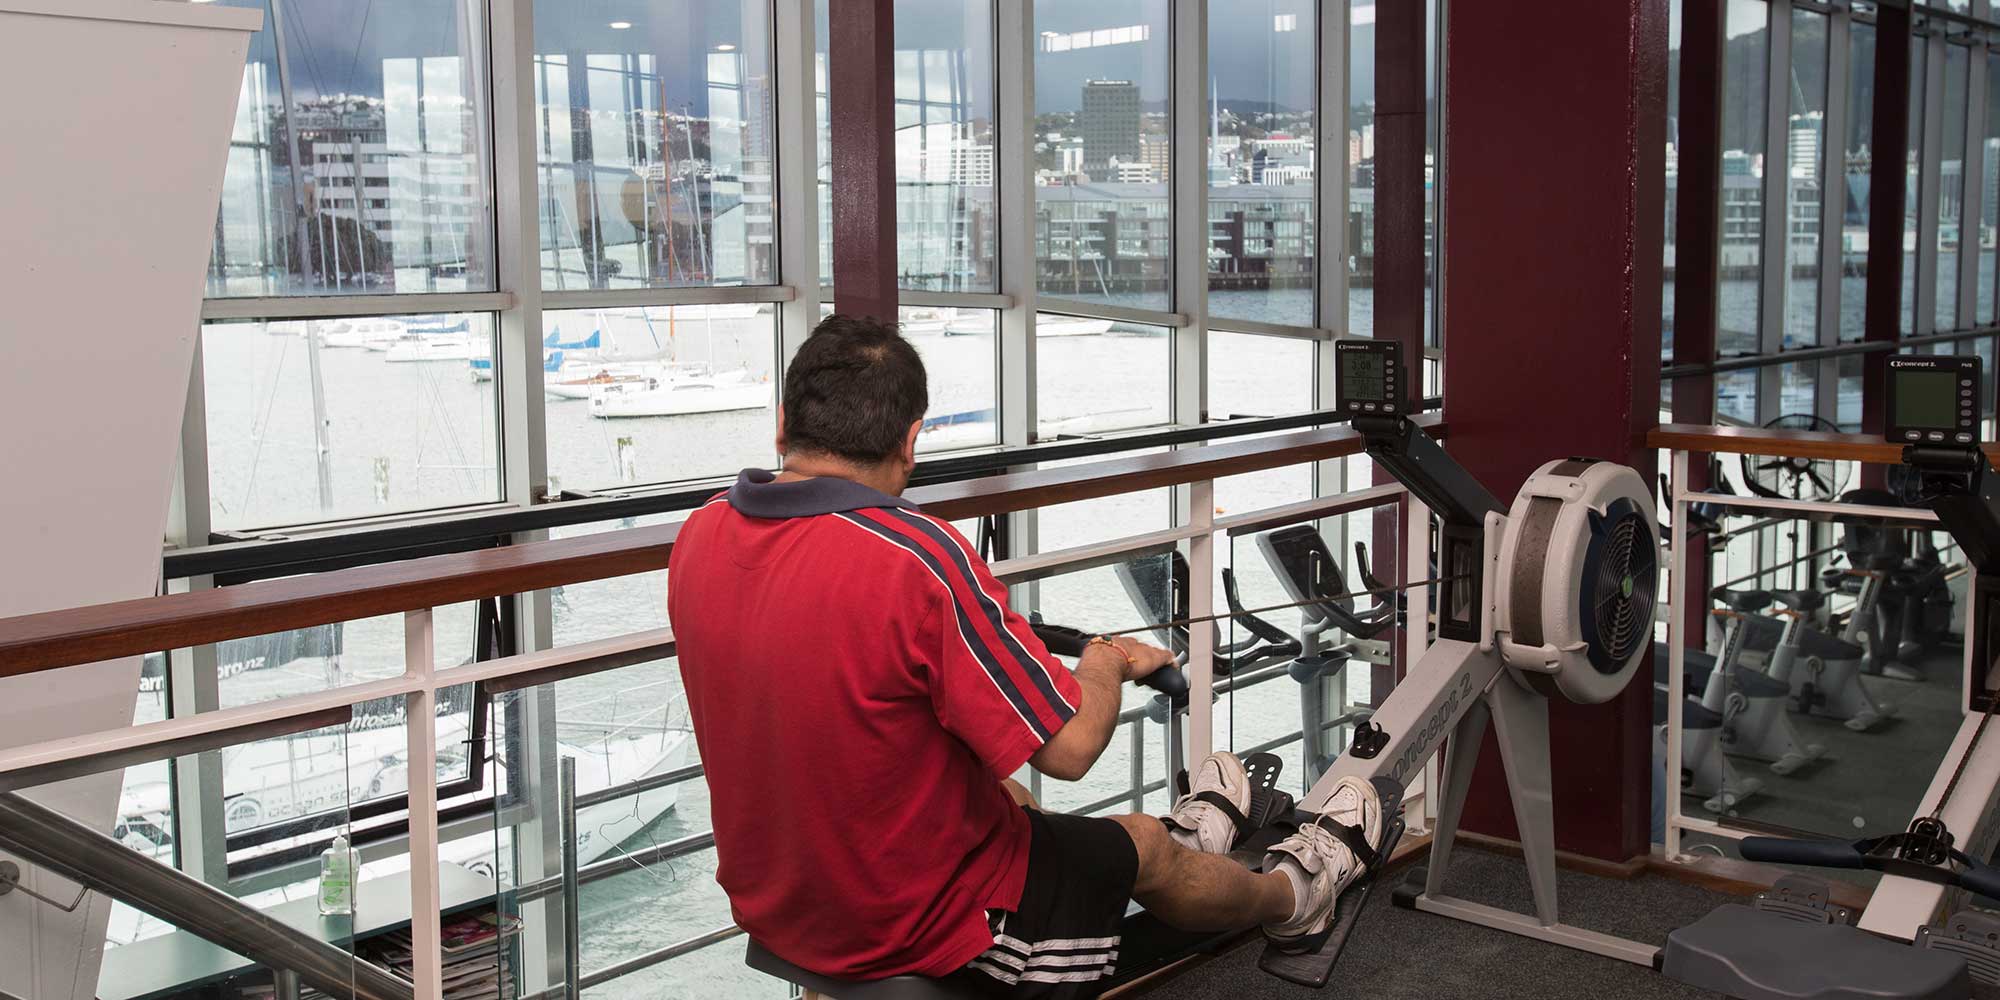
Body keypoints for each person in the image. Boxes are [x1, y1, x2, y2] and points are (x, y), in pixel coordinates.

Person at [668, 314, 1384, 998]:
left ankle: (1191, 839)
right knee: (1138, 845)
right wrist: (1104, 662)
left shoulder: (699, 536)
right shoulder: (919, 558)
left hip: (780, 901)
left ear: (783, 427)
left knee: (1006, 793)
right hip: (922, 925)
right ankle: (1297, 895)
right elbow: (1069, 751)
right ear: (912, 440)